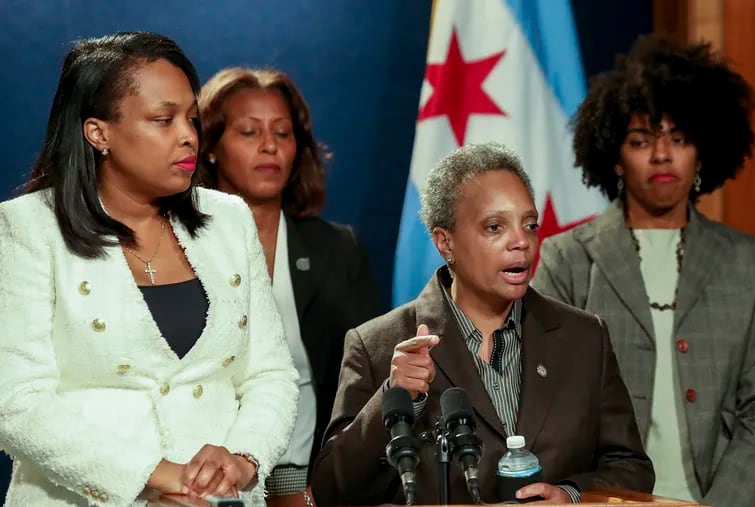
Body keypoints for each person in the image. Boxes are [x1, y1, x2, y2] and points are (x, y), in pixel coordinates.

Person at [0, 32, 299, 507]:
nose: (187, 135)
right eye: (163, 120)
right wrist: (154, 477)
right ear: (98, 133)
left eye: (192, 119)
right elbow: (16, 404)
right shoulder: (27, 228)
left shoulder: (228, 219)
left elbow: (270, 374)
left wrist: (243, 459)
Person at [311, 143, 654, 505]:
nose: (521, 242)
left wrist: (570, 496)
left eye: (530, 225)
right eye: (495, 227)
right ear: (445, 242)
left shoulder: (585, 338)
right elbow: (332, 491)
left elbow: (631, 468)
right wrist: (392, 398)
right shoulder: (377, 345)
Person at [532, 35, 755, 507]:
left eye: (679, 139)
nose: (661, 155)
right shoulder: (566, 259)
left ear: (701, 153)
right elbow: (541, 400)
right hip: (602, 500)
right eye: (641, 140)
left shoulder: (748, 262)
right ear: (615, 156)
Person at [198, 68, 380, 502]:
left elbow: (370, 377)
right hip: (203, 479)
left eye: (282, 133)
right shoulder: (172, 246)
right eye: (248, 131)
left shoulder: (338, 247)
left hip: (312, 484)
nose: (269, 146)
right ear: (210, 148)